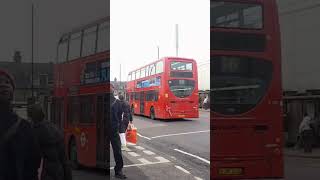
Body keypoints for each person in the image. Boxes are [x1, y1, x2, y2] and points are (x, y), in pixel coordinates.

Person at [0, 69, 41, 180]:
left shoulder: (24, 127)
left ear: (13, 91)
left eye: (7, 82)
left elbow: (32, 166)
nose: (3, 84)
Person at [28, 104, 72, 180]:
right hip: (59, 172)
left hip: (45, 173)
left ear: (32, 118)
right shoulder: (54, 129)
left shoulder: (34, 131)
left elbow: (32, 158)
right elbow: (64, 159)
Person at [110, 87, 127, 179]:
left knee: (117, 150)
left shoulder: (115, 102)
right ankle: (118, 171)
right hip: (113, 129)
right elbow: (120, 115)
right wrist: (118, 123)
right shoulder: (116, 102)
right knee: (117, 150)